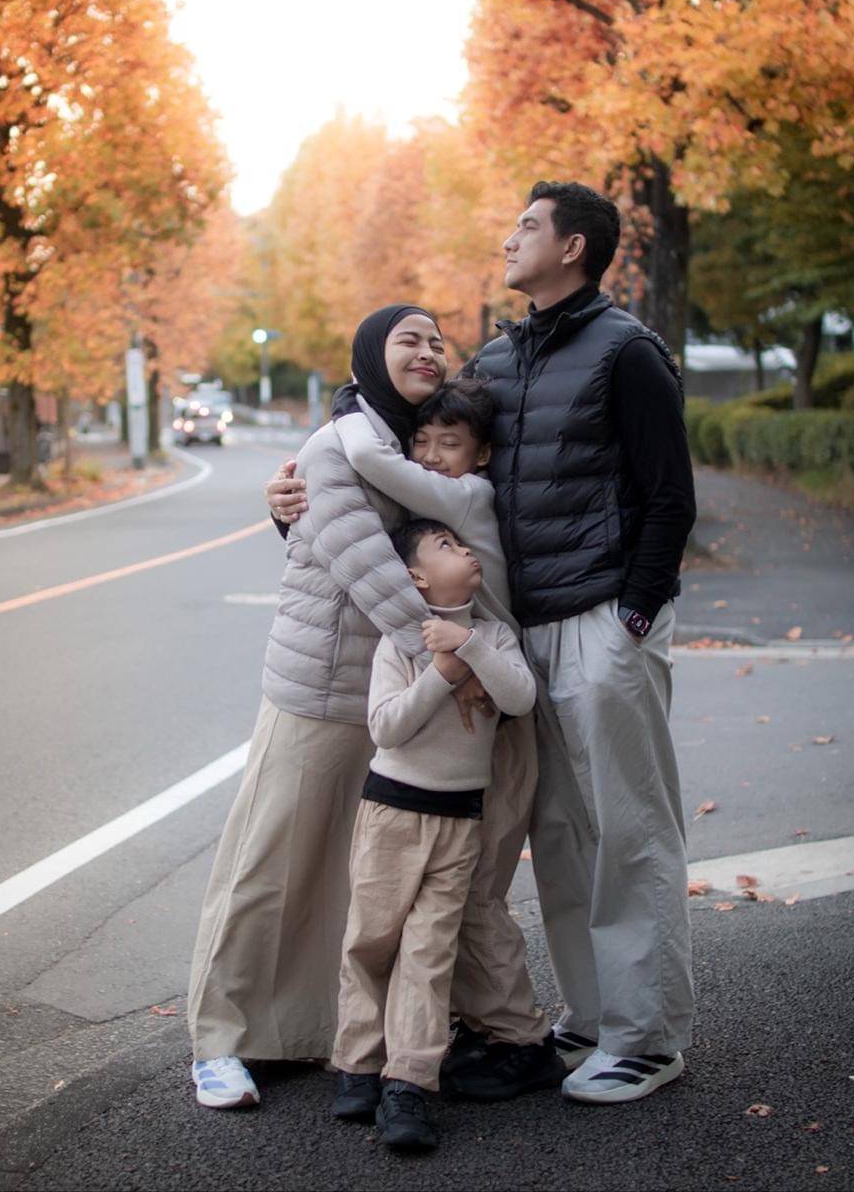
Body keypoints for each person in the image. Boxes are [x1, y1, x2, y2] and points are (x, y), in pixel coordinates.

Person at [268, 179, 697, 1106]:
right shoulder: (500, 358)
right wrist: (292, 495)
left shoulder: (625, 351)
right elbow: (416, 437)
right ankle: (591, 1018)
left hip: (601, 618)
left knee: (628, 826)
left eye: (527, 227)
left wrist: (634, 615)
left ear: (573, 247)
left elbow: (671, 493)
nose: (508, 239)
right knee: (561, 834)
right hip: (523, 631)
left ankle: (648, 1036)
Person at [188, 304, 450, 1109]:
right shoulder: (337, 445)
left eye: (438, 342)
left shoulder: (418, 447)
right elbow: (369, 567)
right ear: (369, 354)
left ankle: (310, 1029)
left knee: (353, 874)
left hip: (392, 695)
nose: (429, 352)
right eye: (409, 340)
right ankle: (218, 1041)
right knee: (267, 865)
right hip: (322, 686)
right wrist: (456, 657)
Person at [333, 382, 564, 1100]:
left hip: (497, 724)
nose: (431, 457)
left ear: (481, 454)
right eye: (422, 442)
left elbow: (372, 465)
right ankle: (454, 1031)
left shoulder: (462, 500)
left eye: (450, 444)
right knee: (440, 910)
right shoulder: (429, 516)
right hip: (446, 729)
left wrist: (347, 412)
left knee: (475, 897)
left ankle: (518, 1037)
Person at [330, 519, 537, 1150]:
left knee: (429, 953)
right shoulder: (400, 642)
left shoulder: (493, 635)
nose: (466, 550)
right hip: (392, 814)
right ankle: (358, 1064)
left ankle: (409, 1084)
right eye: (446, 546)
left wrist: (469, 646)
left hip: (460, 822)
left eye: (463, 542)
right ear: (416, 575)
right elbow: (386, 728)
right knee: (371, 942)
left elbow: (520, 699)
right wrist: (442, 672)